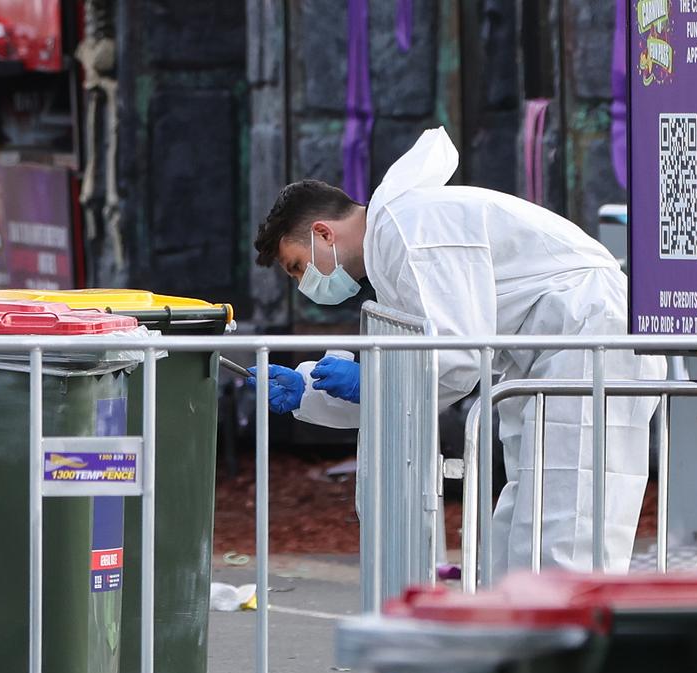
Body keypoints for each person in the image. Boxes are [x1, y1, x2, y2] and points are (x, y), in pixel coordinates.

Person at [250, 127, 666, 574]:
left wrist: (370, 381)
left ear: (322, 233)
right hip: (554, 352)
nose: (304, 283)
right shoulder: (394, 245)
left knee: (572, 519)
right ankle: (521, 635)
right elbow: (419, 373)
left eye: (297, 266)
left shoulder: (410, 229)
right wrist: (311, 392)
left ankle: (569, 640)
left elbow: (453, 360)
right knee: (526, 518)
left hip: (589, 340)